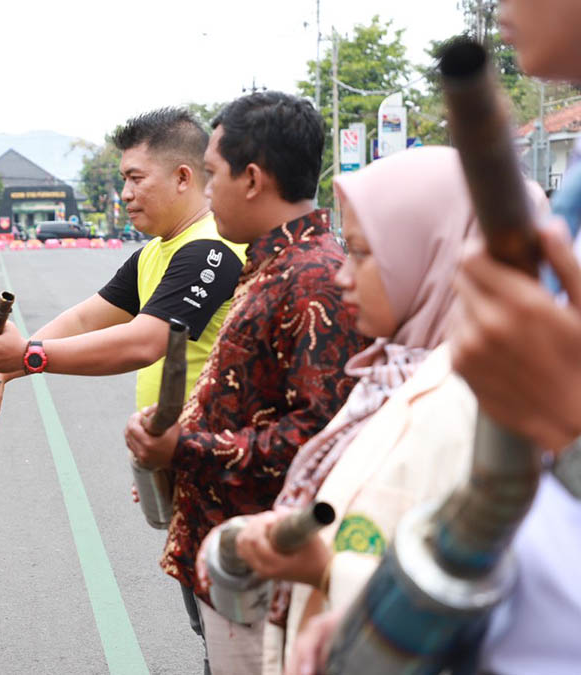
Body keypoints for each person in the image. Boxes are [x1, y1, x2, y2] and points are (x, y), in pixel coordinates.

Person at [214, 147, 530, 673]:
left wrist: (330, 571)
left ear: (436, 254)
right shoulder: (385, 376)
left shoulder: (484, 405)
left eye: (360, 253)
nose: (342, 276)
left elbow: (506, 605)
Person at [123, 92, 367, 674]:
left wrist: (186, 448)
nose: (207, 191)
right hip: (230, 549)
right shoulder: (270, 267)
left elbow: (318, 433)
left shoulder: (311, 279)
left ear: (252, 178)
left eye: (212, 174)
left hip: (268, 561)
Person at [0, 107, 245, 421]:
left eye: (136, 179)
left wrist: (28, 355)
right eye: (124, 180)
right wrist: (2, 372)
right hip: (168, 451)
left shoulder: (210, 248)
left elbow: (143, 343)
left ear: (182, 177)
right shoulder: (152, 253)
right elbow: (84, 320)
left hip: (213, 450)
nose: (125, 194)